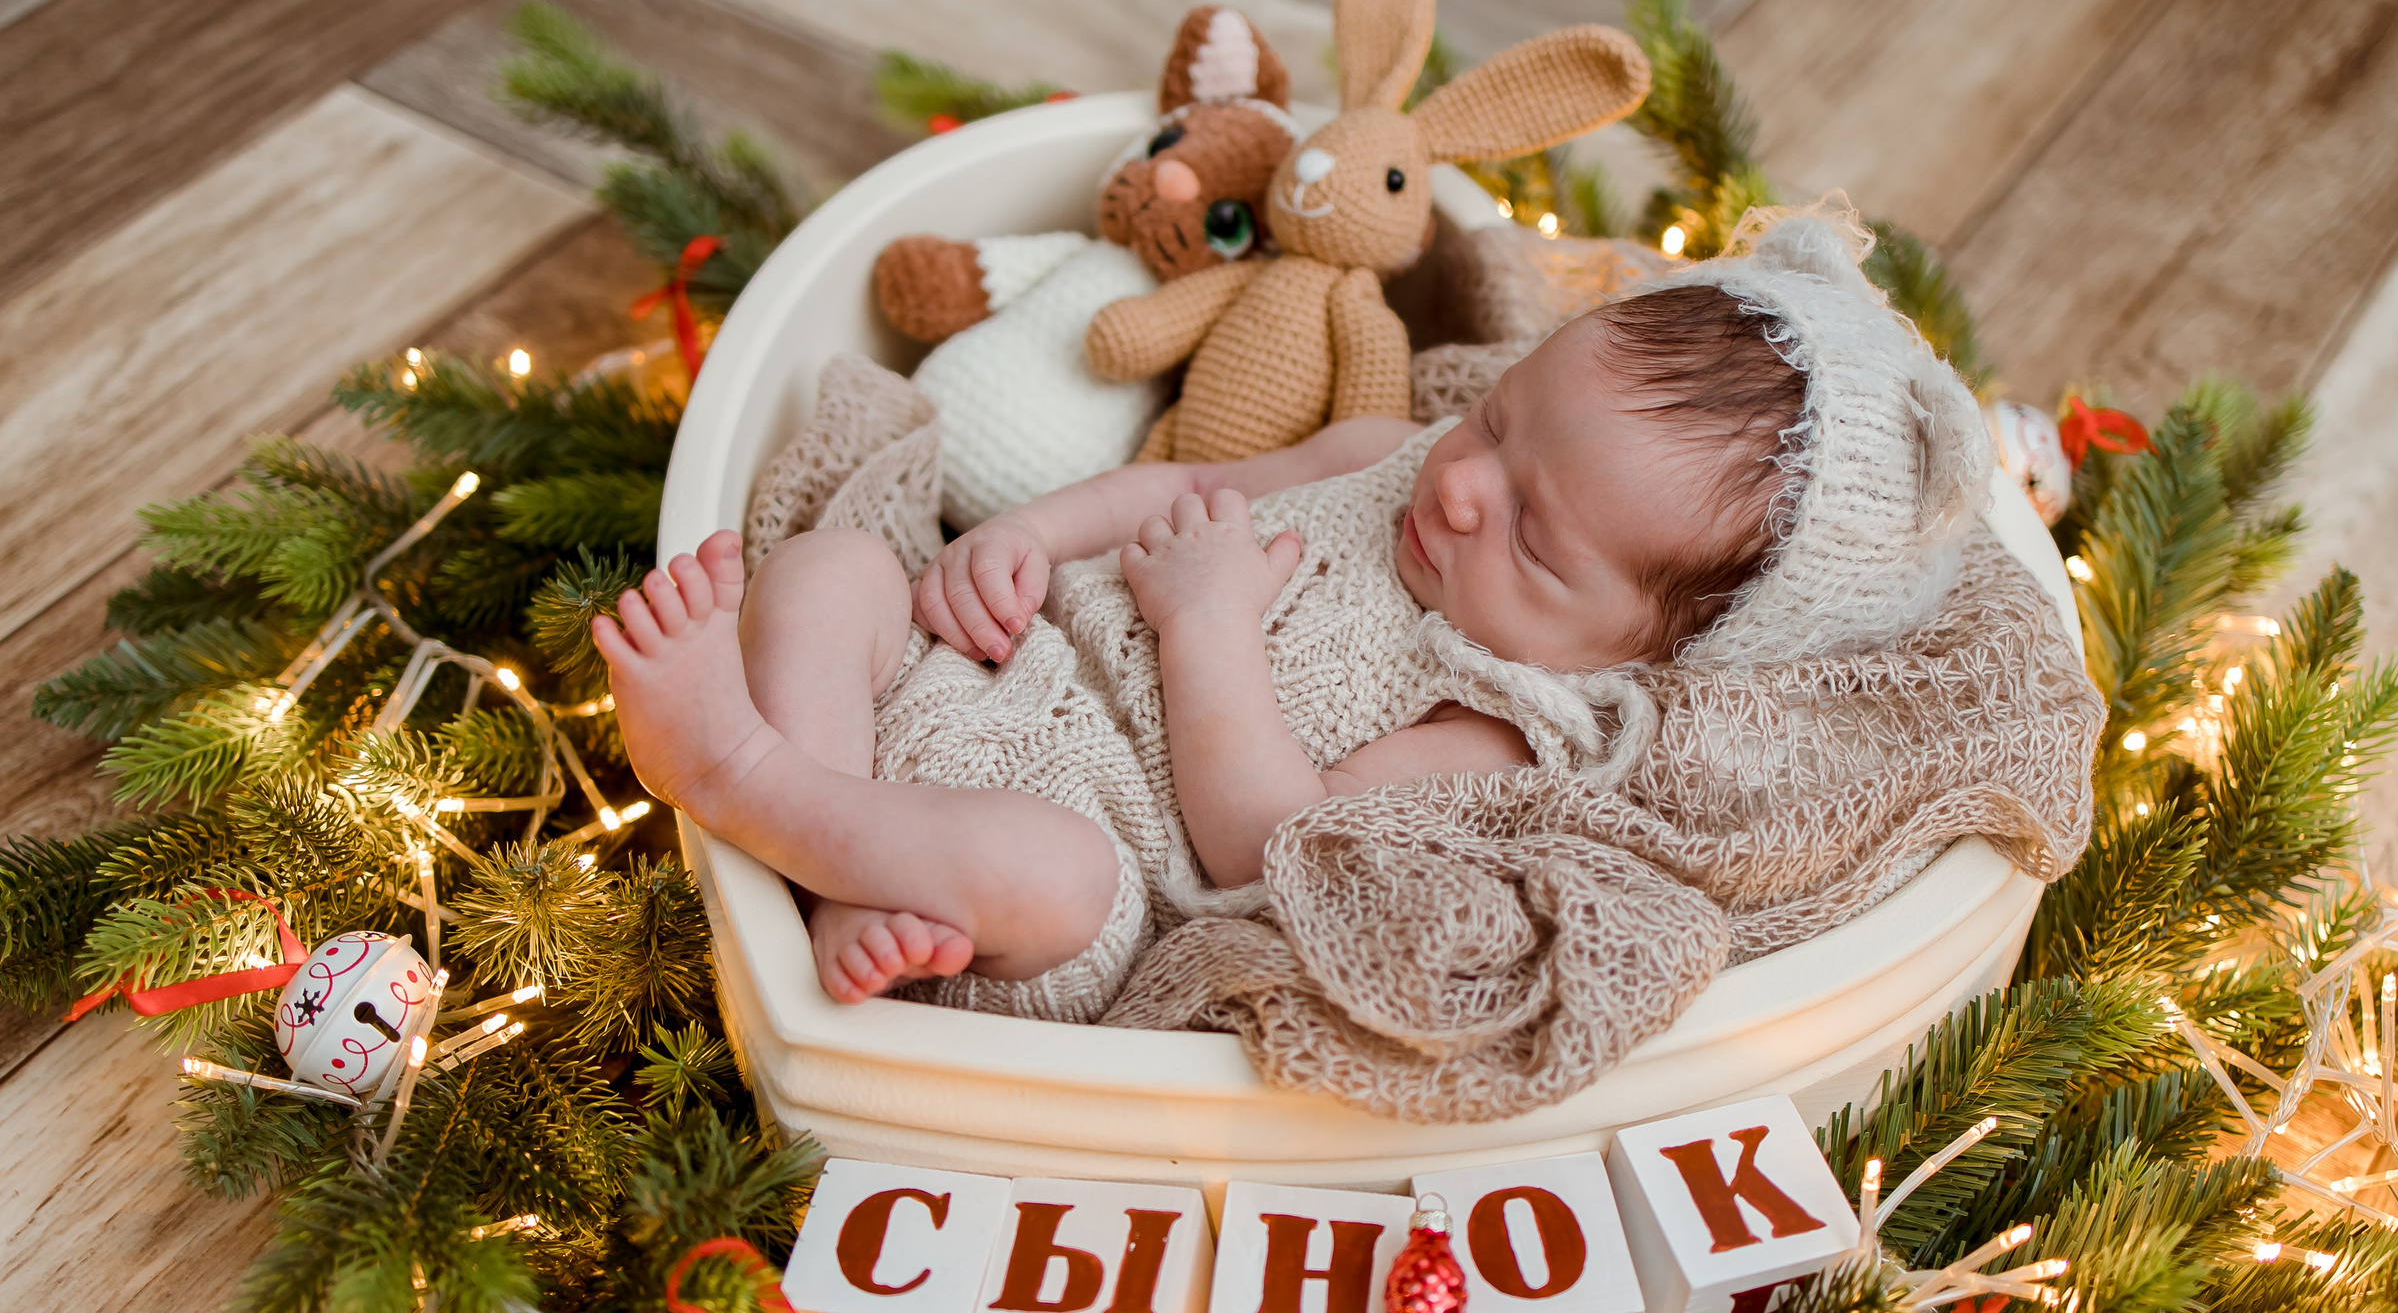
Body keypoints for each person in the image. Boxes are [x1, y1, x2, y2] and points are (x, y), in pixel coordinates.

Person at [595, 206, 1988, 1017]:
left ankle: (740, 770)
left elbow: (1270, 840)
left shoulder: (1498, 725)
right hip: (973, 670)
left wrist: (1205, 628)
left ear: (1650, 651)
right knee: (835, 568)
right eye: (1498, 423)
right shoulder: (1384, 453)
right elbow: (1183, 486)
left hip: (1073, 866)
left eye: (1532, 534)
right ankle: (841, 851)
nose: (1464, 488)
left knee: (1050, 872)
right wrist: (1025, 537)